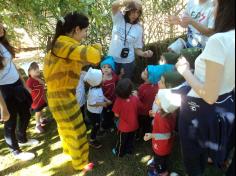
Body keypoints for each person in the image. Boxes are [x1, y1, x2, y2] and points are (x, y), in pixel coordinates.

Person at [175, 0, 235, 174]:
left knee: (192, 157)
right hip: (225, 103)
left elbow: (209, 95)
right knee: (213, 142)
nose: (213, 9)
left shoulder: (219, 40)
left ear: (225, 8)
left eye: (215, 5)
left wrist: (185, 71)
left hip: (198, 108)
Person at [43, 12, 102, 172]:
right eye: (84, 31)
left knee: (65, 128)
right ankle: (80, 162)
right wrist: (97, 47)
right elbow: (93, 56)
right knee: (78, 130)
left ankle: (69, 152)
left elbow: (77, 62)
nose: (85, 35)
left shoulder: (59, 44)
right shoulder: (65, 44)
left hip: (57, 95)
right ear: (76, 29)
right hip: (62, 97)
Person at [0, 22, 38, 161]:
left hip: (17, 84)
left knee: (26, 113)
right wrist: (3, 107)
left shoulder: (3, 43)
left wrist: (23, 83)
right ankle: (16, 151)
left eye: (0, 24)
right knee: (10, 122)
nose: (1, 27)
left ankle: (22, 138)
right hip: (4, 90)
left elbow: (12, 65)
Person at [144, 71, 185, 176]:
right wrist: (155, 114)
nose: (156, 98)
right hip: (164, 144)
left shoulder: (163, 117)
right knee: (161, 158)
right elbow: (162, 114)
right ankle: (158, 163)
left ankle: (162, 172)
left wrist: (151, 135)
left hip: (161, 146)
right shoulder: (168, 110)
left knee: (161, 158)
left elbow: (166, 135)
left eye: (158, 98)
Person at [109, 0, 153, 79]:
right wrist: (129, 1)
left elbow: (136, 49)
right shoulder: (119, 18)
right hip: (112, 59)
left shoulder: (139, 28)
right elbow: (114, 5)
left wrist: (144, 54)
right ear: (128, 10)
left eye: (138, 12)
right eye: (133, 11)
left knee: (125, 84)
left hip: (128, 62)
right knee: (110, 81)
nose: (135, 15)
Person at [112, 78, 142, 157]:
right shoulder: (135, 98)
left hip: (123, 127)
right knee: (131, 140)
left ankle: (119, 153)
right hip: (134, 125)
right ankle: (129, 151)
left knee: (121, 141)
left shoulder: (118, 100)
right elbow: (140, 107)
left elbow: (116, 115)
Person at [84, 68, 112, 149]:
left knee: (99, 121)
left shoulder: (98, 87)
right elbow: (91, 103)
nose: (104, 77)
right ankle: (92, 140)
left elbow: (101, 95)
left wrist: (106, 99)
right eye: (102, 76)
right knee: (95, 126)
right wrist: (102, 103)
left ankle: (98, 127)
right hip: (93, 113)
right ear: (97, 81)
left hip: (97, 111)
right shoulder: (93, 92)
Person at [136, 65, 160, 140]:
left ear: (150, 78)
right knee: (147, 125)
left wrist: (135, 95)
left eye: (145, 73)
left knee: (139, 124)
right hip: (151, 111)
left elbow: (139, 99)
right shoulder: (158, 86)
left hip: (141, 111)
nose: (143, 73)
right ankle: (146, 135)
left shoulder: (142, 87)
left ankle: (137, 136)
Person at [26, 62, 48, 133]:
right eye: (34, 70)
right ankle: (37, 125)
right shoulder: (30, 80)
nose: (37, 72)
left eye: (37, 71)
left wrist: (39, 80)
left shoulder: (38, 79)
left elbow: (43, 84)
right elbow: (28, 89)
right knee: (38, 112)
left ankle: (42, 120)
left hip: (41, 99)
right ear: (29, 72)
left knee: (41, 110)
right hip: (36, 101)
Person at [100, 56, 119, 132]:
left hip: (113, 99)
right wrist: (106, 100)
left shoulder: (114, 76)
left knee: (111, 112)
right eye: (104, 67)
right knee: (105, 113)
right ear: (101, 69)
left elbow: (117, 82)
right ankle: (104, 126)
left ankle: (110, 123)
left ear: (112, 69)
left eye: (109, 67)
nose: (106, 69)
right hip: (105, 101)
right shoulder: (101, 79)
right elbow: (99, 93)